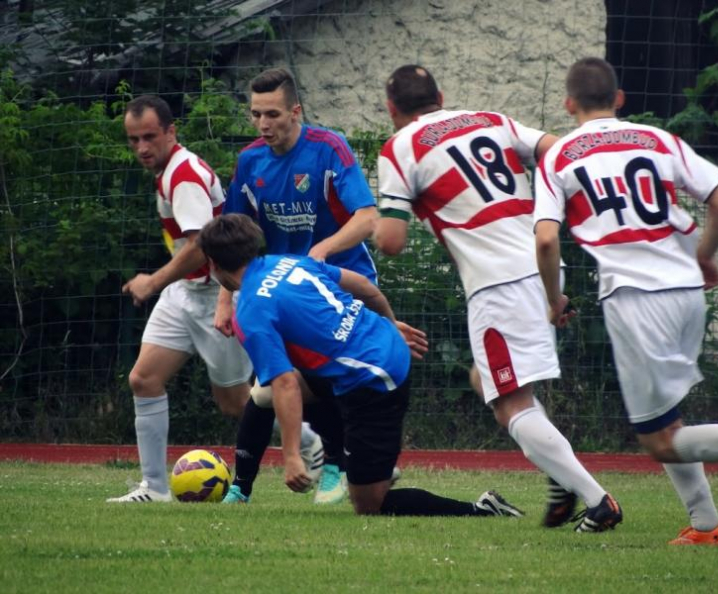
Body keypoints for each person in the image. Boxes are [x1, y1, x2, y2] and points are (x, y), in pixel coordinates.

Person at [534, 57, 718, 545]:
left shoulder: (560, 155)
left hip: (636, 297)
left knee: (660, 441)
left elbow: (544, 240)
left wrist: (555, 299)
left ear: (568, 104)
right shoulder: (656, 139)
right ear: (619, 99)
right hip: (687, 292)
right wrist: (704, 258)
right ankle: (706, 526)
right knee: (668, 422)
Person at [373, 65, 622, 532]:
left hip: (497, 281)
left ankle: (598, 499)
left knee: (510, 403)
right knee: (484, 379)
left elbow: (390, 241)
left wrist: (373, 219)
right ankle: (560, 478)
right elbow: (556, 149)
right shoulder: (490, 120)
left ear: (392, 110)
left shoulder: (401, 147)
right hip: (540, 264)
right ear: (441, 95)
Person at [199, 212, 524, 518]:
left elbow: (285, 383)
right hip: (378, 348)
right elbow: (365, 287)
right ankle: (258, 484)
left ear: (213, 264)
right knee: (262, 395)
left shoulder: (251, 311)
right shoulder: (288, 262)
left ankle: (481, 509)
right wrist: (390, 324)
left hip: (375, 379)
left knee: (369, 503)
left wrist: (291, 457)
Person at [216, 68, 381, 505]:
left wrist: (321, 251)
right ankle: (242, 487)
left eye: (272, 114)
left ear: (295, 111)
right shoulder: (251, 161)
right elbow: (231, 235)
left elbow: (368, 217)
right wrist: (225, 298)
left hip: (335, 284)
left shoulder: (329, 149)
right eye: (255, 115)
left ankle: (337, 465)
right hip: (282, 288)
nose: (263, 124)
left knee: (305, 380)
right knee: (269, 385)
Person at [106, 95, 254, 502]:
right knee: (144, 379)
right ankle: (154, 488)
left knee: (236, 403)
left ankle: (319, 441)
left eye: (150, 137)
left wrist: (152, 282)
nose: (141, 147)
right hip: (185, 293)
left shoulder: (183, 174)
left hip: (216, 297)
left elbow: (200, 246)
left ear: (171, 132)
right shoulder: (170, 169)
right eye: (134, 139)